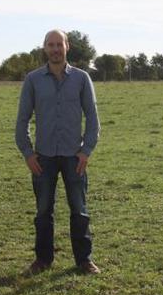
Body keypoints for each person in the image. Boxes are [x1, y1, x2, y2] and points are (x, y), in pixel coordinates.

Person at [15, 29, 101, 275]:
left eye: (59, 44)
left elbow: (93, 118)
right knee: (43, 211)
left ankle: (84, 260)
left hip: (75, 157)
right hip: (43, 158)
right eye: (50, 45)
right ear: (44, 48)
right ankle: (43, 260)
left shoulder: (82, 78)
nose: (55, 49)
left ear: (67, 47)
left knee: (79, 210)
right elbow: (23, 120)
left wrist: (86, 151)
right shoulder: (33, 80)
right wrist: (28, 153)